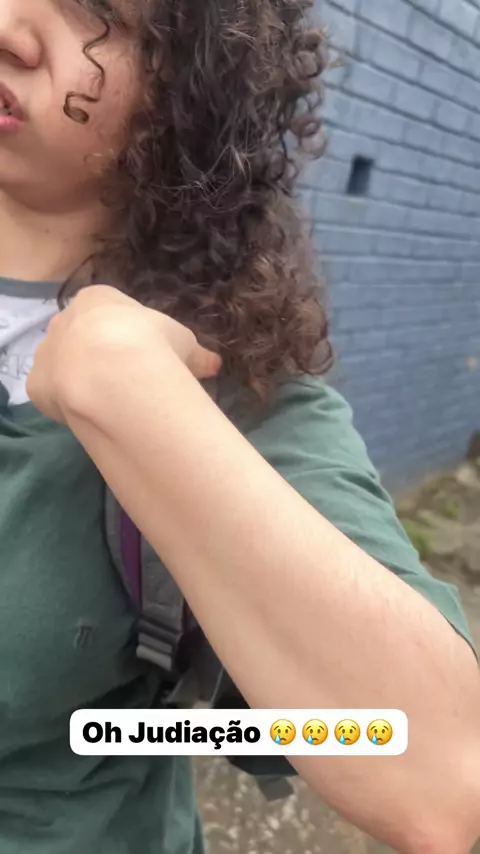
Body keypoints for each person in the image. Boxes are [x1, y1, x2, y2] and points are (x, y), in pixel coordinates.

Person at [1, 1, 479, 852]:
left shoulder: (225, 382)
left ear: (183, 98)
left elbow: (442, 778)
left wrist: (147, 411)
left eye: (99, 12)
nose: (10, 24)